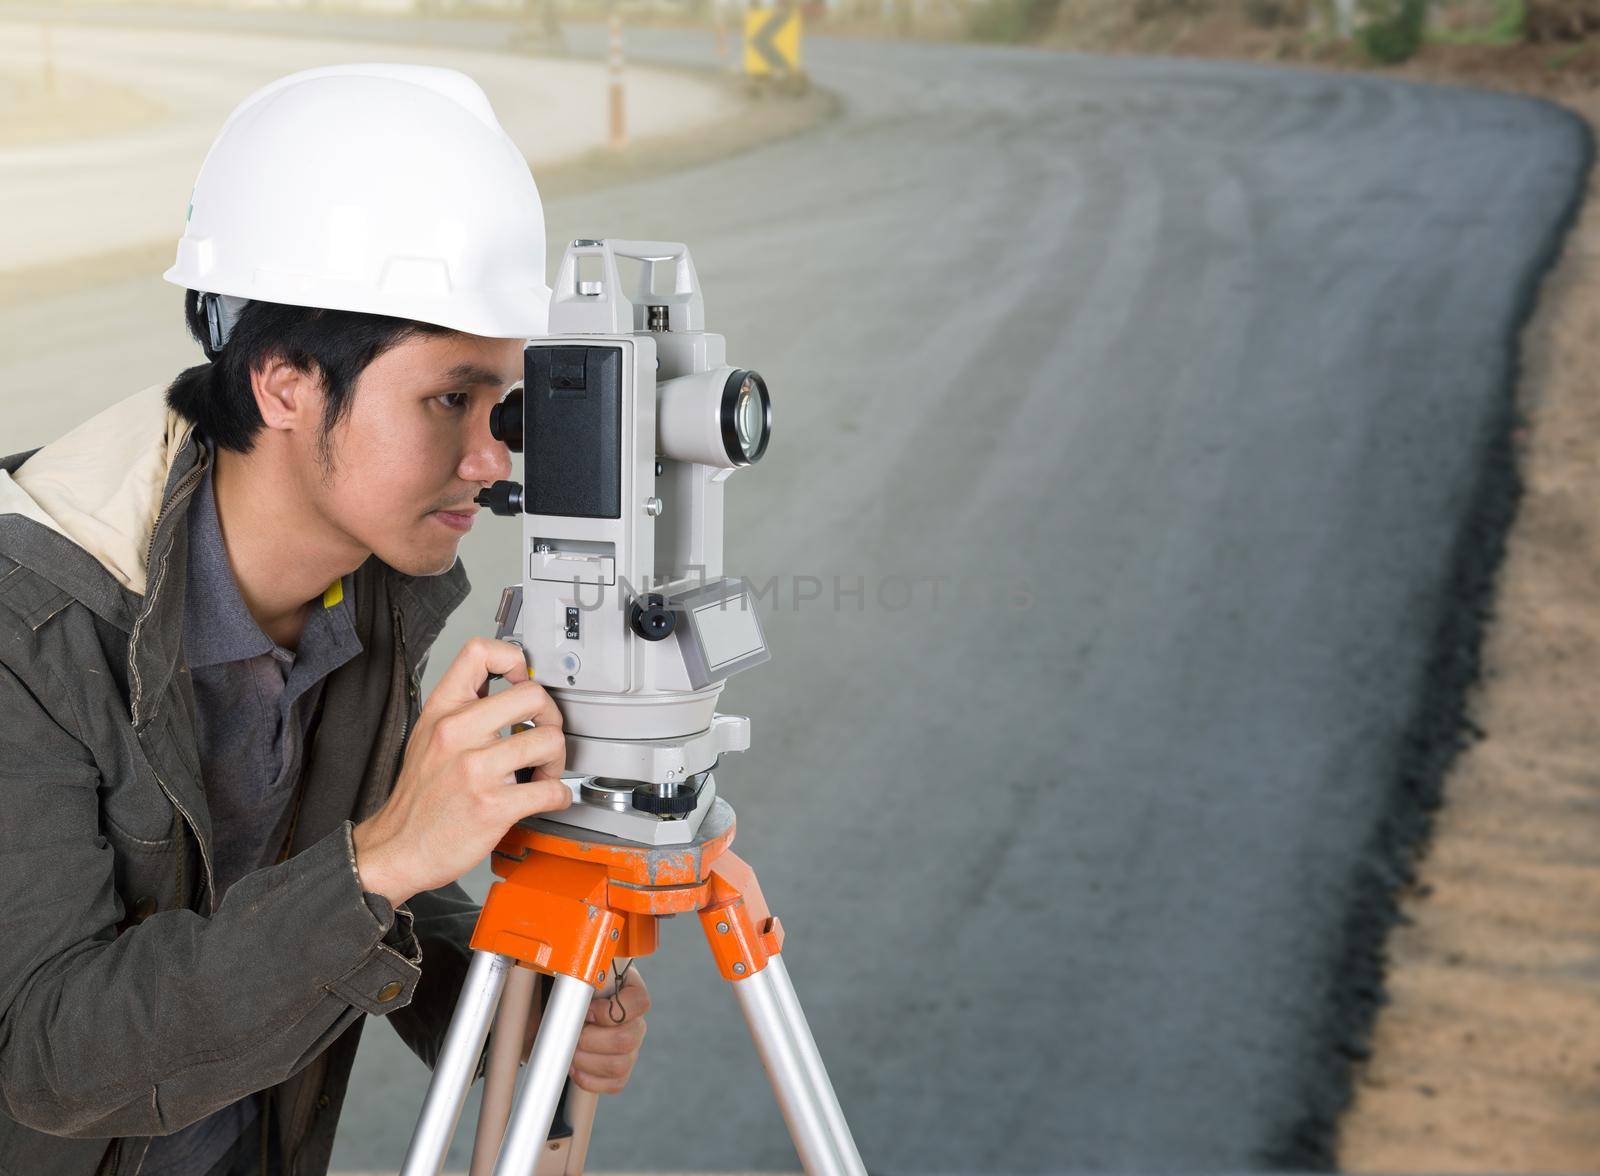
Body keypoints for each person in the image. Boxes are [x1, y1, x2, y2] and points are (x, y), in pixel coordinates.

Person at [0, 64, 648, 1176]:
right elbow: (50, 1061)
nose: (494, 459)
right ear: (287, 381)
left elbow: (341, 866)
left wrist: (503, 1008)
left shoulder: (369, 585)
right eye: (450, 398)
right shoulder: (31, 626)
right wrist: (385, 858)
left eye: (505, 403)